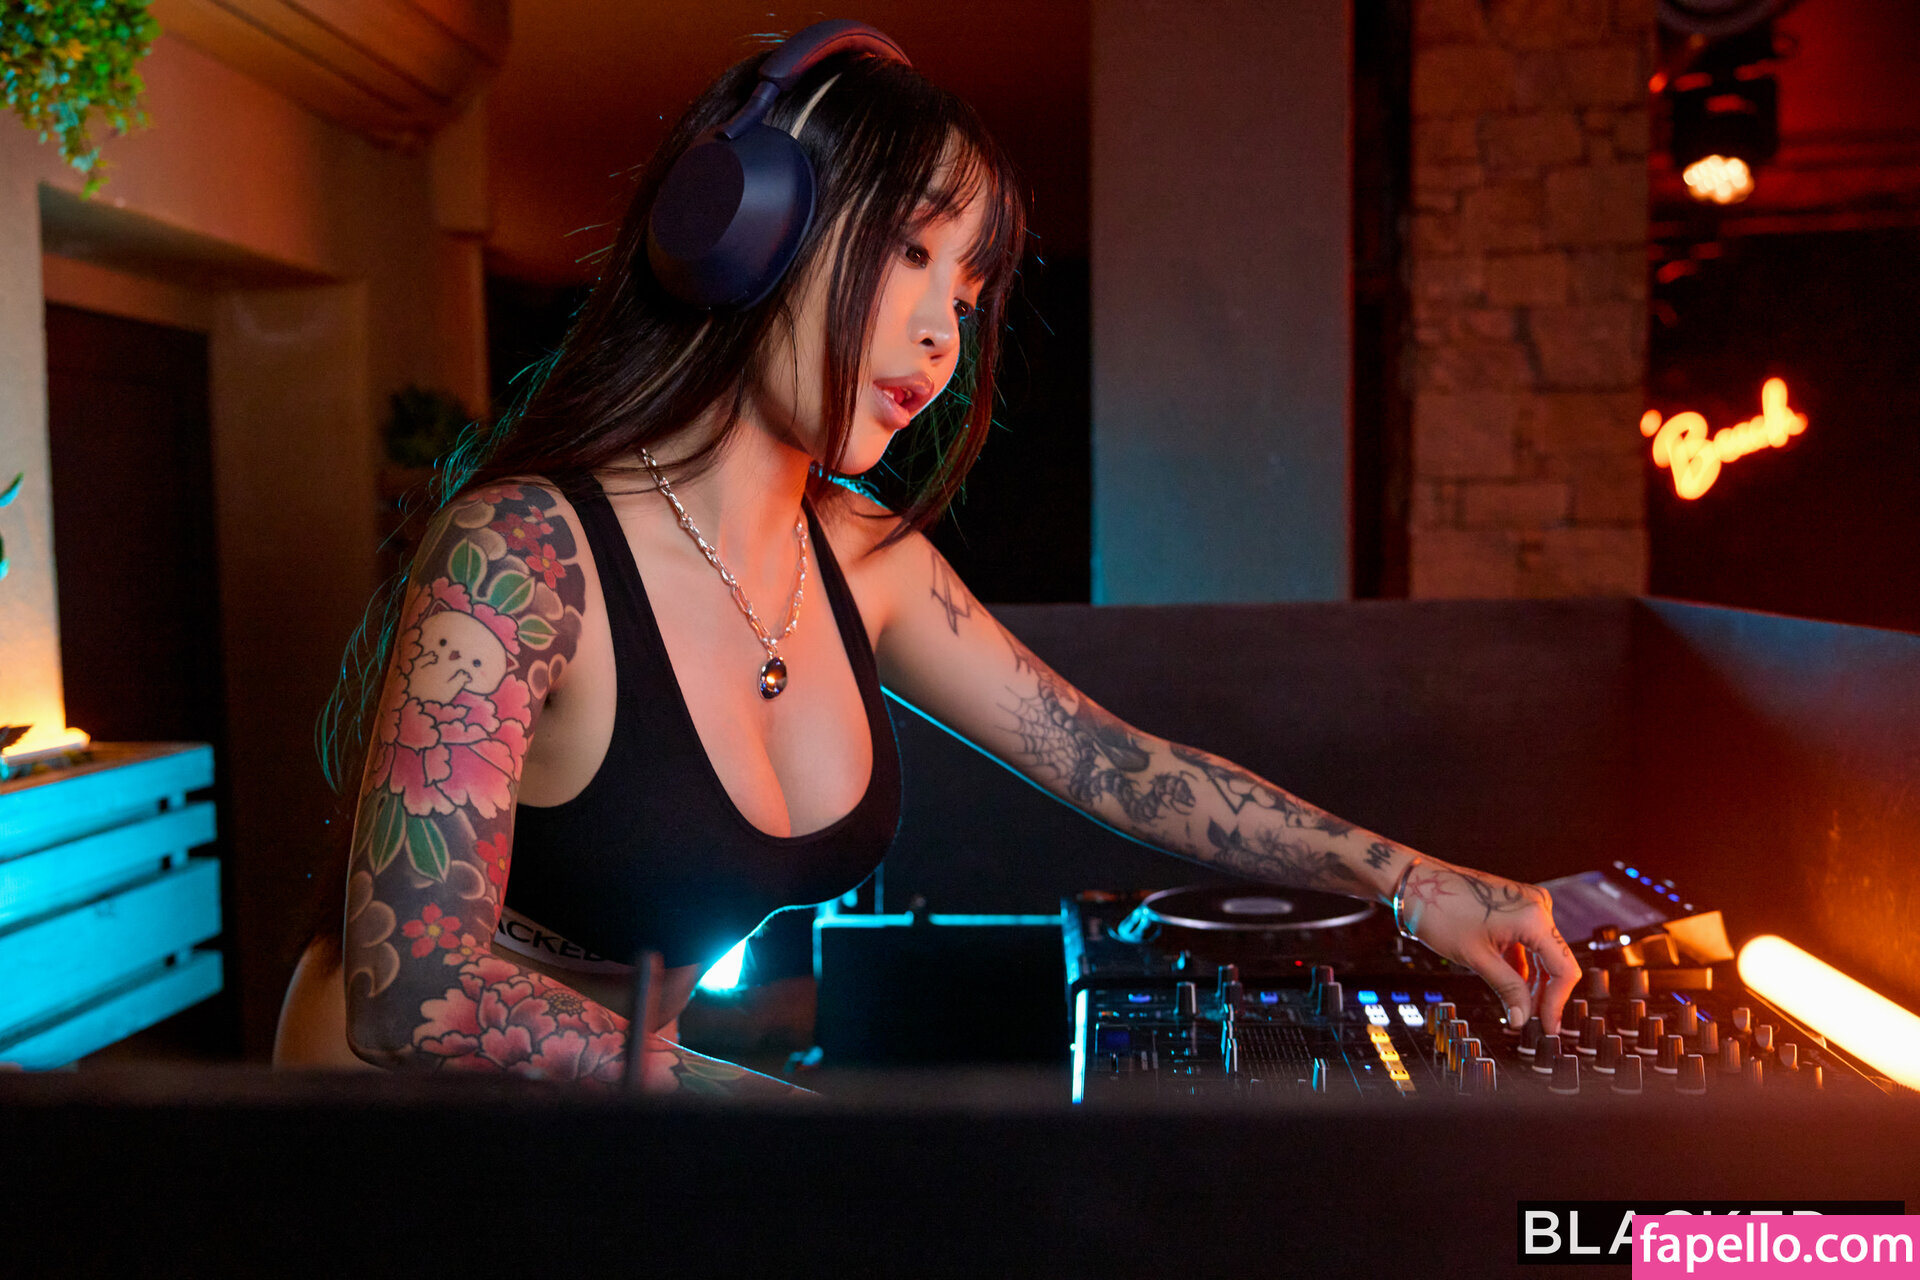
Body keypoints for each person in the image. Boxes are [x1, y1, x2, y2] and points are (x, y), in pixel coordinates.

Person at [274, 21, 1580, 1090]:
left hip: (632, 1122)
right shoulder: (522, 553)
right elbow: (411, 995)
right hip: (398, 1143)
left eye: (968, 290)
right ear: (753, 230)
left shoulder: (864, 559)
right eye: (910, 250)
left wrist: (1414, 883)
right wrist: (784, 1128)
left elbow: (1117, 766)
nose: (945, 332)